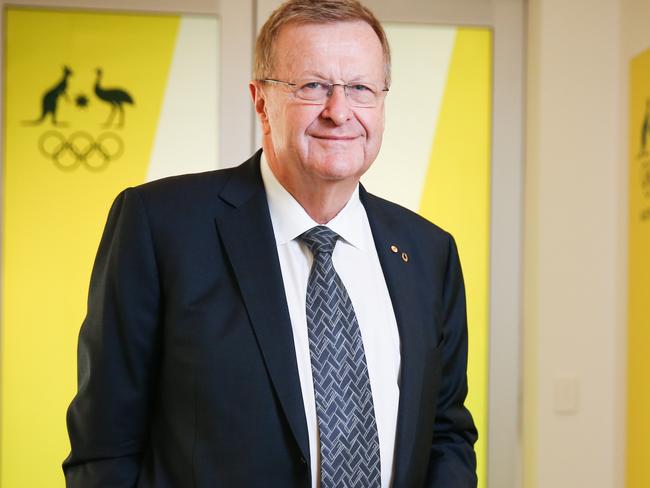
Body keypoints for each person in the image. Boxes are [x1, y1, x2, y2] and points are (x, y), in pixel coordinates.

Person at [63, 0, 478, 486]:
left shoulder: (428, 253)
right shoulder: (161, 226)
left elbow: (446, 433)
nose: (338, 111)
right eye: (313, 86)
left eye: (361, 88)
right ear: (261, 100)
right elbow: (104, 447)